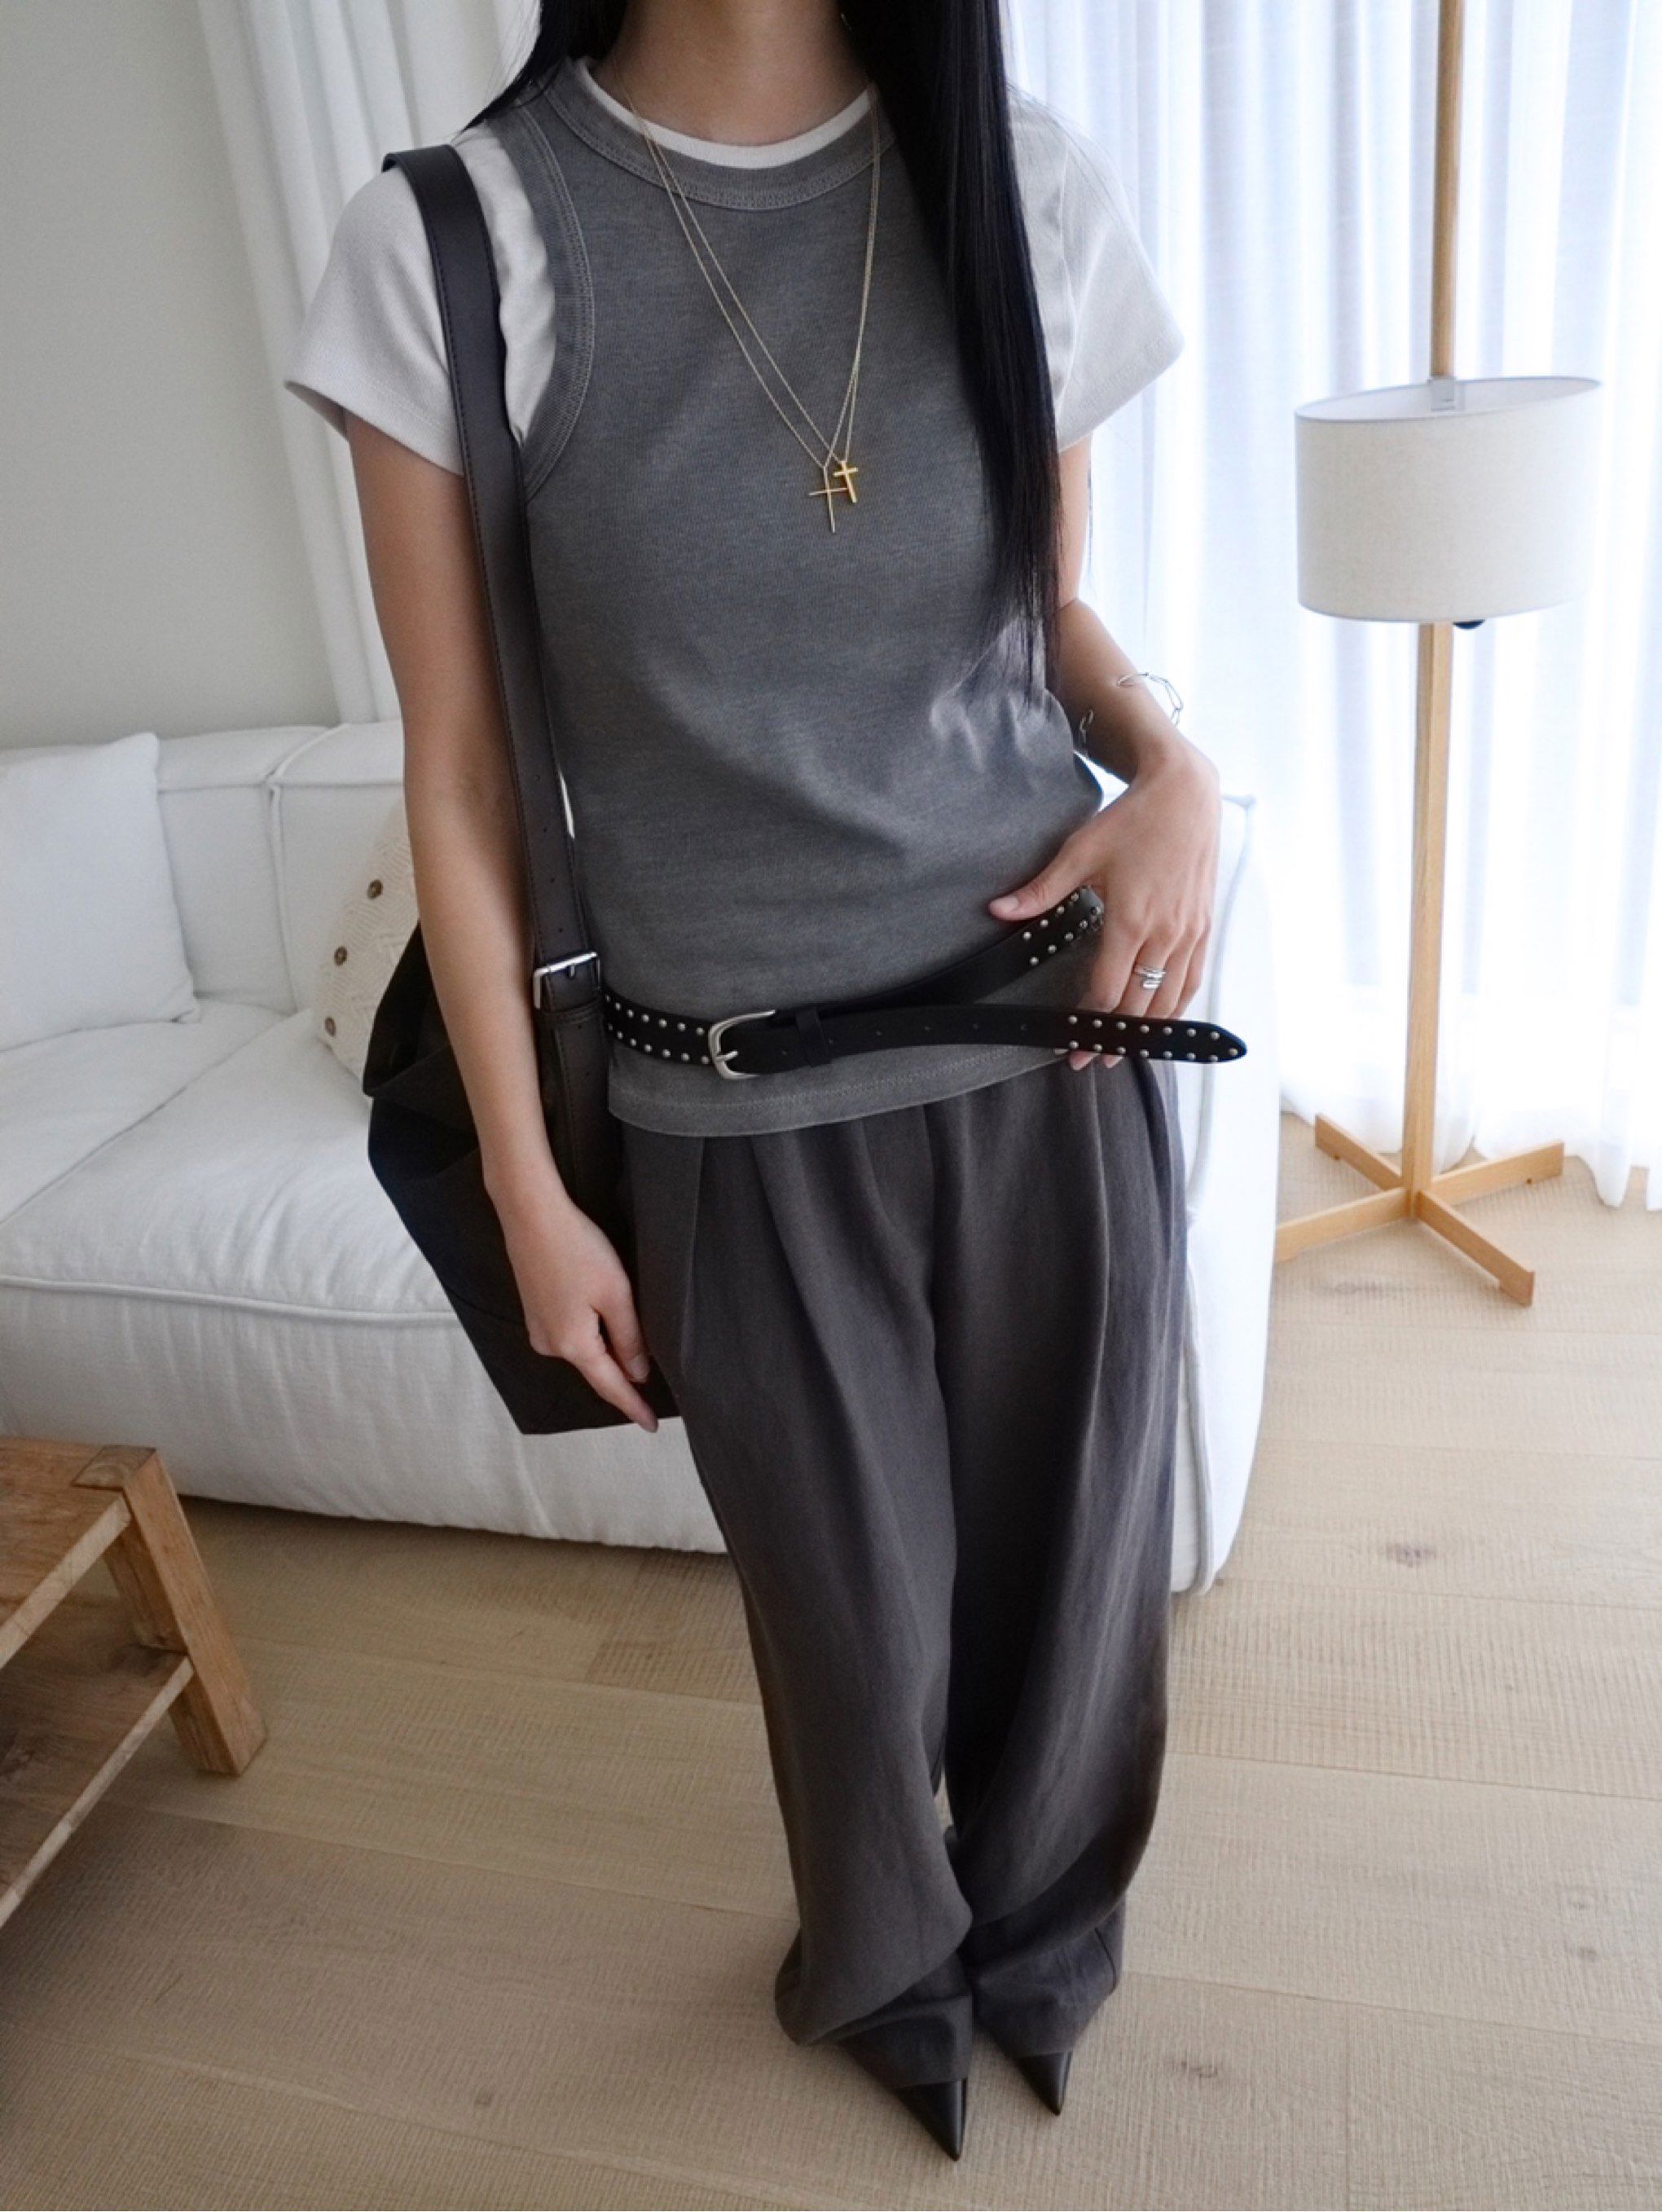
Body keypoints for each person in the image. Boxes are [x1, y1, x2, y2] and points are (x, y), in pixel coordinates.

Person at [285, 0, 1220, 2162]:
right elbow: (462, 777)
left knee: (1078, 1578)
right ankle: (887, 1964)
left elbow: (1042, 622)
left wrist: (1179, 767)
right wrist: (529, 1188)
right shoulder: (452, 243)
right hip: (728, 1105)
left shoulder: (1016, 180)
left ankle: (1051, 1935)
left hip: (1048, 1052)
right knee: (846, 1625)